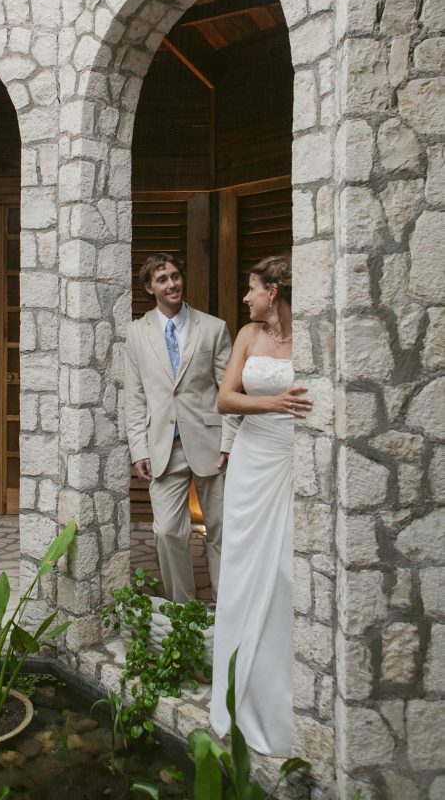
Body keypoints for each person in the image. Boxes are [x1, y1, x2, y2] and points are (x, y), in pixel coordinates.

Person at [209, 254, 311, 757]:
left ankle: (284, 697)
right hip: (253, 461)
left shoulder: (310, 333)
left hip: (294, 462)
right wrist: (272, 404)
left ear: (274, 290)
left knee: (289, 572)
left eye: (251, 289)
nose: (245, 298)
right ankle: (234, 693)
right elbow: (225, 399)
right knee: (245, 570)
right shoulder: (247, 338)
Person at [123, 253, 238, 604]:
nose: (172, 284)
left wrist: (229, 442)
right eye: (162, 279)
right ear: (149, 287)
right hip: (162, 447)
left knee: (221, 532)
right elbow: (134, 394)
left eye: (175, 276)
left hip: (210, 442)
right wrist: (138, 448)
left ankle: (226, 607)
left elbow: (230, 392)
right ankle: (183, 609)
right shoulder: (136, 333)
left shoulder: (213, 328)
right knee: (168, 532)